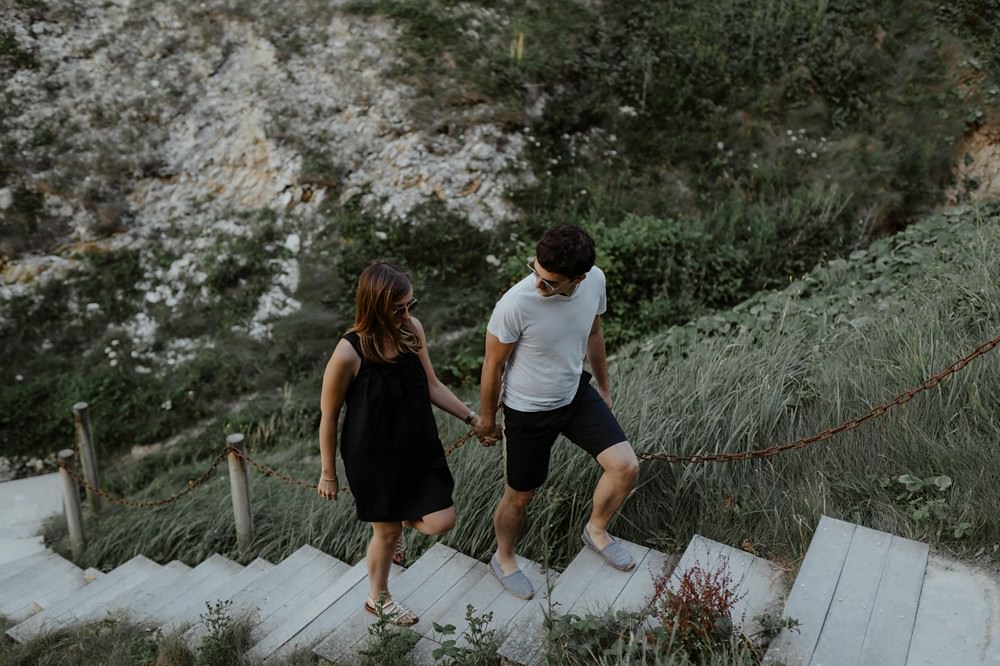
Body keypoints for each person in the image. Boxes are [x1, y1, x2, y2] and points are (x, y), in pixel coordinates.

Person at [474, 224, 640, 600]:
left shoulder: (595, 281)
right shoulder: (514, 304)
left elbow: (593, 333)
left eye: (549, 283)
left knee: (625, 466)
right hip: (527, 410)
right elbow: (492, 365)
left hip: (574, 394)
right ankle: (503, 558)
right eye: (535, 272)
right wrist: (488, 420)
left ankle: (596, 530)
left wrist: (604, 387)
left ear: (578, 279)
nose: (538, 284)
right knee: (520, 495)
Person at [317, 260, 480, 626]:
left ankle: (399, 521)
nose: (406, 315)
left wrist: (472, 419)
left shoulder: (411, 331)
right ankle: (378, 598)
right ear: (374, 306)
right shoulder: (348, 353)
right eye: (398, 309)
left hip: (418, 446)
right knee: (386, 532)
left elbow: (433, 385)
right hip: (372, 458)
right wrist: (328, 472)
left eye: (410, 305)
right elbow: (328, 415)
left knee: (442, 521)